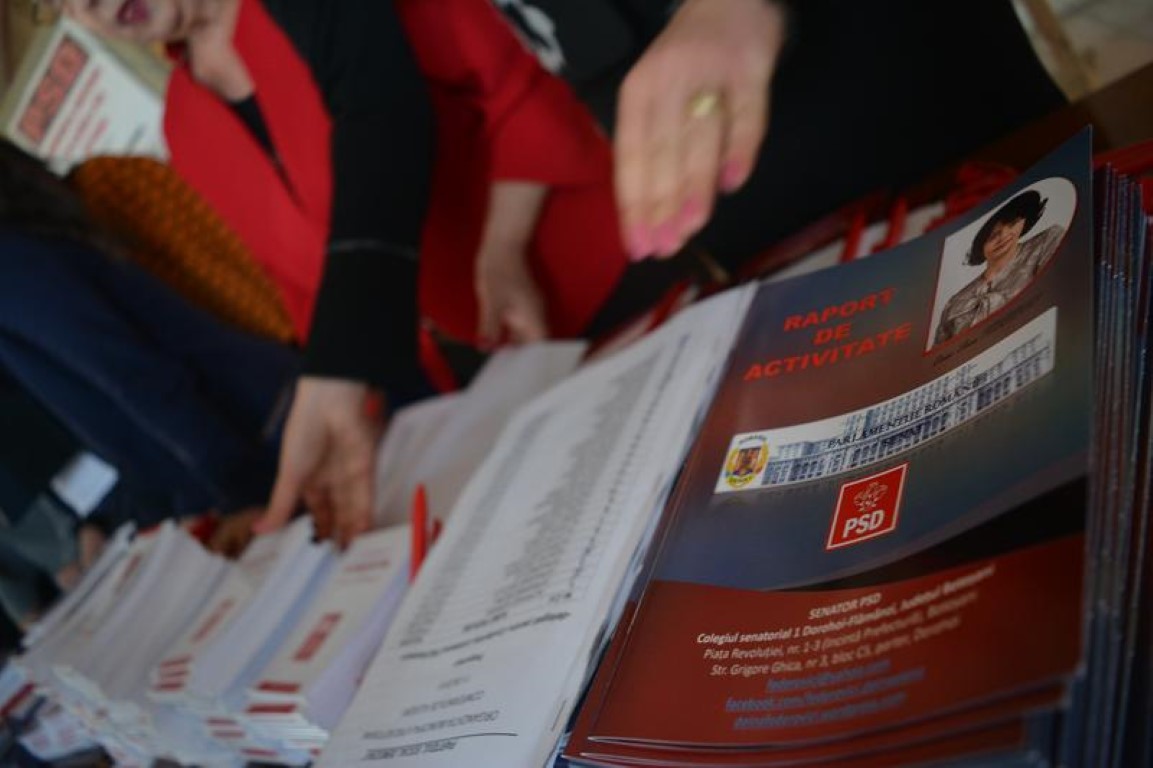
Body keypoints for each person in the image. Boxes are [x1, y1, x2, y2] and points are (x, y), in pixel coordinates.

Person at [55, 0, 631, 546]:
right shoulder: (184, 126)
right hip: (474, 375)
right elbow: (302, 286)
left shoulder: (321, 13)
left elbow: (514, 84)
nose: (89, 4)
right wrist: (353, 400)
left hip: (581, 281)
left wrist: (503, 244)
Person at [0, 138, 298, 537]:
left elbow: (133, 373)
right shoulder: (22, 238)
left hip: (257, 432)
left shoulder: (11, 262)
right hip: (254, 422)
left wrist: (238, 487)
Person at [933, 190, 1063, 345]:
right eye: (993, 235)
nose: (1004, 236)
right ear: (980, 246)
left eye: (1012, 223)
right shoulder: (955, 303)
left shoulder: (1047, 241)